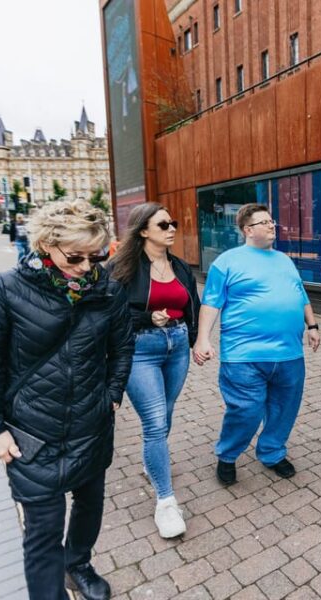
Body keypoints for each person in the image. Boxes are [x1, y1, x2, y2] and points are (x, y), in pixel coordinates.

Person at [0, 199, 133, 600]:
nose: (86, 267)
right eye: (75, 256)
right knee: (42, 532)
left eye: (95, 256)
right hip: (31, 434)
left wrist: (111, 395)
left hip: (91, 425)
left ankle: (78, 563)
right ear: (45, 244)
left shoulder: (107, 289)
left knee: (90, 507)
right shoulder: (3, 290)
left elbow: (122, 347)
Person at [193, 203, 321, 486]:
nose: (272, 225)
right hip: (244, 355)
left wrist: (312, 326)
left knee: (285, 408)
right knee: (246, 411)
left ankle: (272, 452)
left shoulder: (285, 260)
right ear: (248, 230)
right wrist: (202, 339)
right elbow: (211, 302)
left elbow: (299, 295)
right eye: (265, 222)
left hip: (289, 353)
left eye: (272, 221)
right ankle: (227, 455)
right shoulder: (226, 261)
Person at [108, 203, 200, 538]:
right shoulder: (122, 268)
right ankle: (165, 502)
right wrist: (149, 318)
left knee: (168, 412)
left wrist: (196, 339)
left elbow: (193, 304)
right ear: (143, 231)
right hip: (141, 350)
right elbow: (109, 315)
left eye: (173, 222)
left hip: (176, 347)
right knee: (155, 422)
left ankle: (152, 464)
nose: (172, 228)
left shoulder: (179, 265)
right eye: (164, 224)